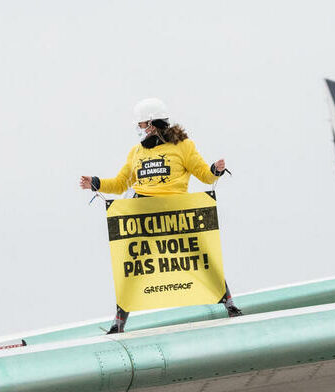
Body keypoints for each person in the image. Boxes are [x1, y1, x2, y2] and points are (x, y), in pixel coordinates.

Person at [79, 97, 242, 334]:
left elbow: (204, 175)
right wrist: (96, 183)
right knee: (133, 266)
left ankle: (229, 304)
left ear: (153, 124)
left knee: (202, 257)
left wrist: (215, 169)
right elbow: (120, 183)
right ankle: (119, 321)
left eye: (142, 124)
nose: (139, 129)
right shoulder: (136, 152)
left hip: (176, 214)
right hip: (144, 215)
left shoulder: (183, 146)